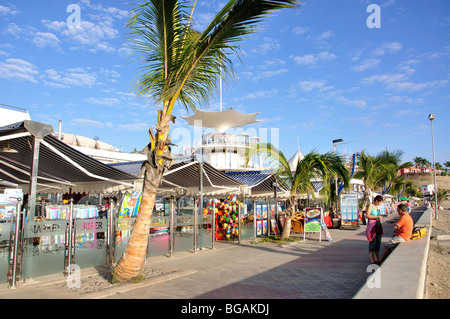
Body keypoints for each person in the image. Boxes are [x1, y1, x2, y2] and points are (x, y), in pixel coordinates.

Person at [365, 195, 384, 264]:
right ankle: (372, 259)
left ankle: (377, 258)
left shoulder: (377, 207)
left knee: (378, 242)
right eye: (380, 202)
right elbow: (367, 215)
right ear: (376, 201)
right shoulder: (371, 206)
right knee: (373, 241)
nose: (380, 204)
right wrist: (377, 217)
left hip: (378, 225)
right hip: (372, 225)